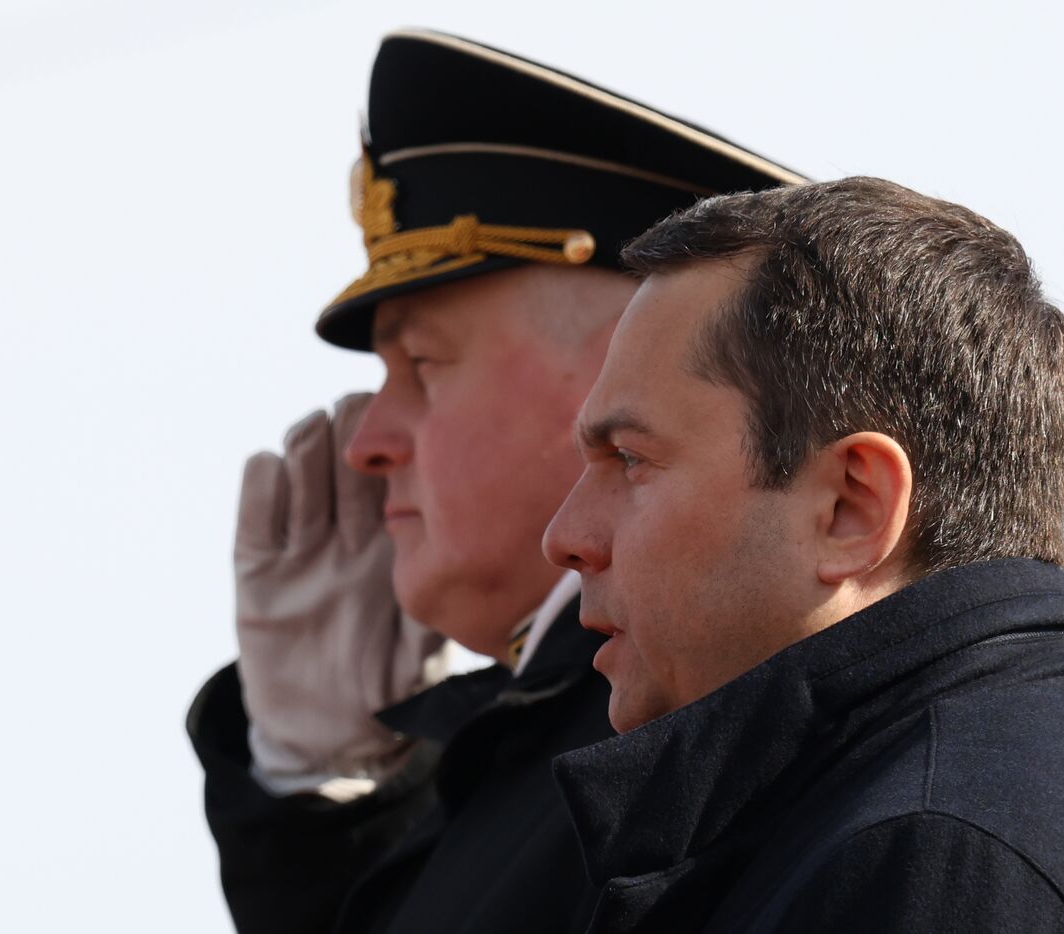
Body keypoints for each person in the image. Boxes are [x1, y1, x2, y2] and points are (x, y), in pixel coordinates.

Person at [186, 29, 806, 934]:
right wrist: (324, 799)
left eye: (423, 365)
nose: (368, 441)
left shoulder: (715, 725)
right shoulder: (585, 730)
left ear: (619, 371)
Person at [543, 178, 1064, 932]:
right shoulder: (945, 812)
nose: (566, 538)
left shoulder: (934, 862)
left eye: (631, 459)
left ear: (853, 508)